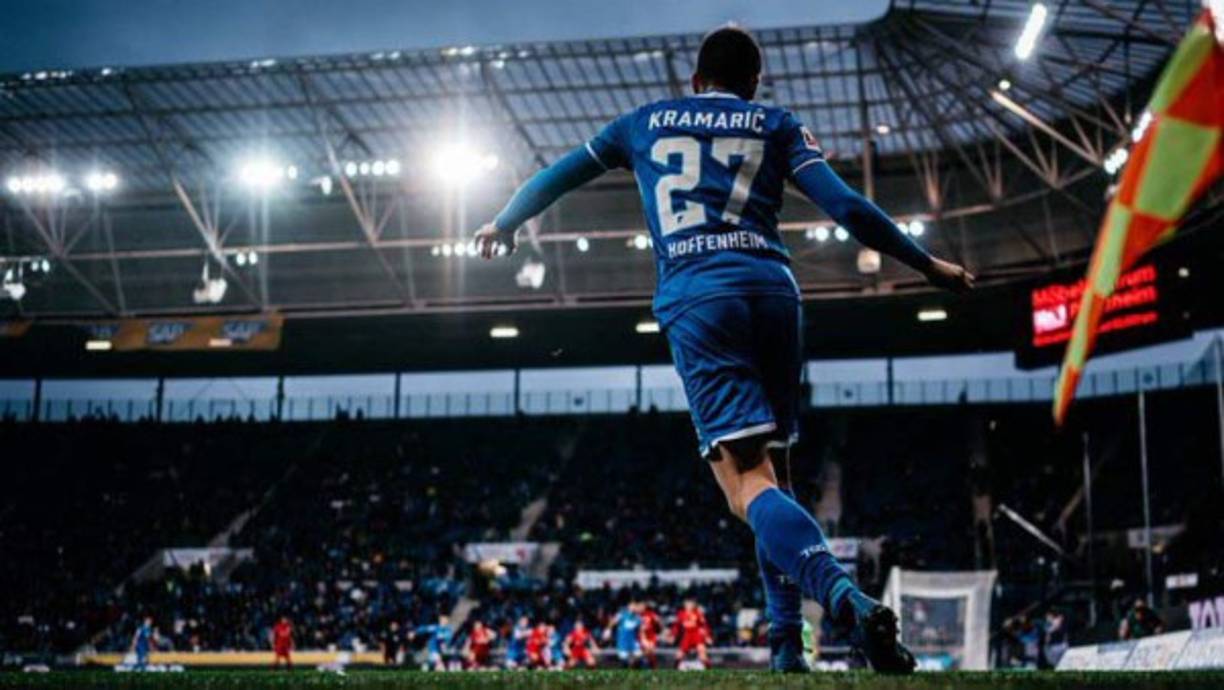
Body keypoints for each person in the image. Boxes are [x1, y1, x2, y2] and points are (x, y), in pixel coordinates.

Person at [475, 25, 972, 675]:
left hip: (699, 295)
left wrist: (505, 220)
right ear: (754, 83)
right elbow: (847, 206)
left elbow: (558, 175)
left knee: (743, 488)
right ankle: (789, 648)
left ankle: (844, 601)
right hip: (773, 292)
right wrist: (926, 264)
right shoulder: (776, 122)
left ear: (695, 81)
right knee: (778, 479)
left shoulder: (643, 122)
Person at [671, 598, 712, 668]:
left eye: (690, 604)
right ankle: (674, 671)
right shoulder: (681, 614)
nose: (688, 606)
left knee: (702, 654)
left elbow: (704, 625)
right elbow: (676, 626)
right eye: (686, 604)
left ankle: (710, 671)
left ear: (693, 605)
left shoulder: (698, 613)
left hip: (696, 635)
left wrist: (707, 636)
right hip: (687, 636)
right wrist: (673, 636)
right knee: (679, 656)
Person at [603, 600, 643, 668]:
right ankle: (624, 674)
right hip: (622, 642)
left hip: (633, 642)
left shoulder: (638, 618)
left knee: (639, 657)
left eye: (634, 606)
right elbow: (613, 622)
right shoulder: (622, 615)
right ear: (628, 607)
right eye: (632, 606)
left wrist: (643, 640)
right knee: (624, 661)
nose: (633, 608)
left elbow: (640, 630)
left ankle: (636, 674)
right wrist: (608, 630)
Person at [639, 603, 662, 669]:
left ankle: (654, 669)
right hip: (641, 636)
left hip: (651, 637)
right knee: (644, 653)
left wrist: (659, 622)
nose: (641, 607)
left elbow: (658, 624)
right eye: (640, 606)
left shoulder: (651, 614)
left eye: (642, 606)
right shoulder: (636, 615)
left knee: (651, 652)